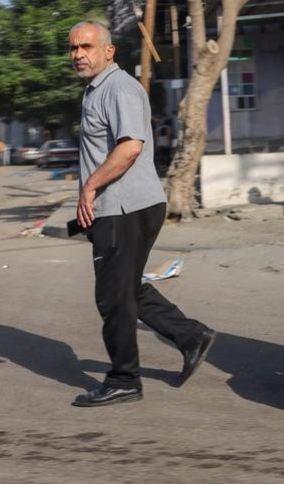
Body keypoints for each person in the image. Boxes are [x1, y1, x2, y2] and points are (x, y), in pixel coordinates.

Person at [68, 21, 216, 408]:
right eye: (73, 48)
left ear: (109, 51)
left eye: (86, 46)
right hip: (118, 207)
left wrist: (89, 187)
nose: (78, 54)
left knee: (113, 297)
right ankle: (191, 336)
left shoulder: (119, 88)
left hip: (124, 207)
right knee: (127, 287)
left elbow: (130, 147)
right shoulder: (97, 90)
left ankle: (124, 379)